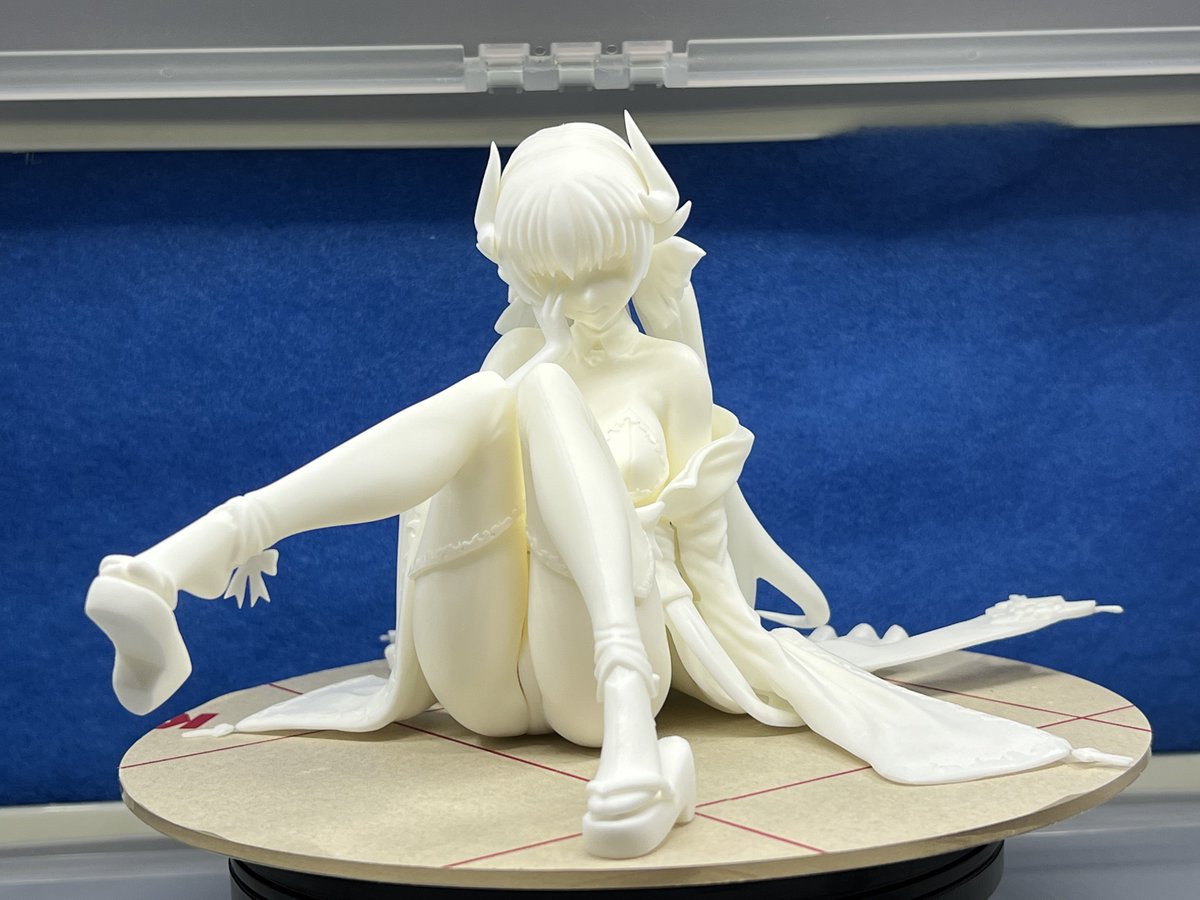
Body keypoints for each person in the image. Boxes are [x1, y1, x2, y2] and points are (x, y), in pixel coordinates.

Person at [86, 114, 1129, 860]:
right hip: (480, 679)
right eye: (550, 278)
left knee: (534, 393)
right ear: (515, 268)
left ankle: (633, 737)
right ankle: (175, 568)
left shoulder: (669, 375)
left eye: (602, 272)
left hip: (594, 672)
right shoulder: (509, 364)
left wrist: (740, 615)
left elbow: (702, 539)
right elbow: (445, 497)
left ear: (643, 248)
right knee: (504, 393)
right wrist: (531, 372)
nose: (581, 302)